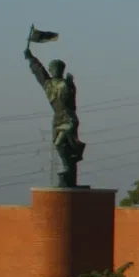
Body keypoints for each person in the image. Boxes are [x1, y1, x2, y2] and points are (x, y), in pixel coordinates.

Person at [23, 46, 84, 188]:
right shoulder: (48, 84)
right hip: (57, 119)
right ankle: (71, 163)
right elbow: (39, 71)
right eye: (52, 68)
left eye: (56, 68)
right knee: (60, 146)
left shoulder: (65, 84)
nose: (54, 70)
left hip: (68, 118)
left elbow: (70, 94)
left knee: (61, 143)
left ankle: (70, 164)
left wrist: (70, 83)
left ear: (61, 70)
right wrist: (31, 58)